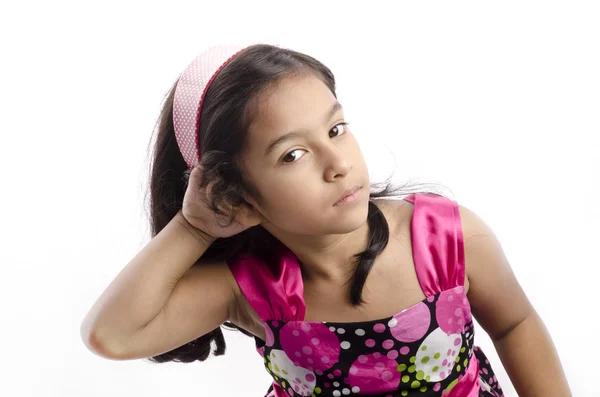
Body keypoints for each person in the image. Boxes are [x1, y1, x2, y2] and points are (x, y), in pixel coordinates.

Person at [80, 43, 571, 396]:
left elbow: (515, 324)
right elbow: (113, 335)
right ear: (233, 190)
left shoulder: (446, 238)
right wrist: (194, 228)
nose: (337, 163)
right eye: (293, 155)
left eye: (336, 128)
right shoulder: (247, 288)